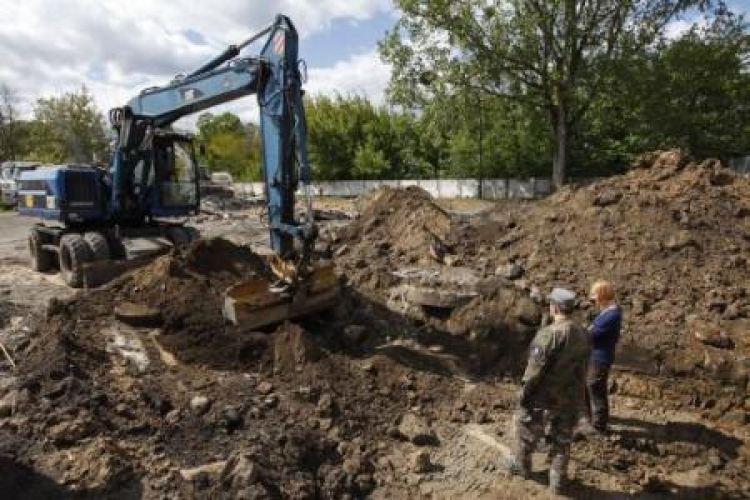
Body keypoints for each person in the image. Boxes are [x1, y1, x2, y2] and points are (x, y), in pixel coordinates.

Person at [502, 287, 591, 493]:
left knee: (524, 431)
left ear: (555, 307)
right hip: (569, 396)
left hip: (543, 397)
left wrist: (524, 393)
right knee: (562, 439)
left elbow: (534, 370)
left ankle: (521, 466)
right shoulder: (583, 333)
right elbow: (584, 369)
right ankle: (557, 481)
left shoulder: (549, 335)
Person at [586, 280, 622, 433]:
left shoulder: (612, 314)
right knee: (588, 386)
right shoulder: (606, 312)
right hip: (595, 356)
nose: (592, 298)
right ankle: (587, 420)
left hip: (600, 358)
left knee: (595, 387)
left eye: (594, 294)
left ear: (602, 295)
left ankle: (599, 426)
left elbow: (592, 333)